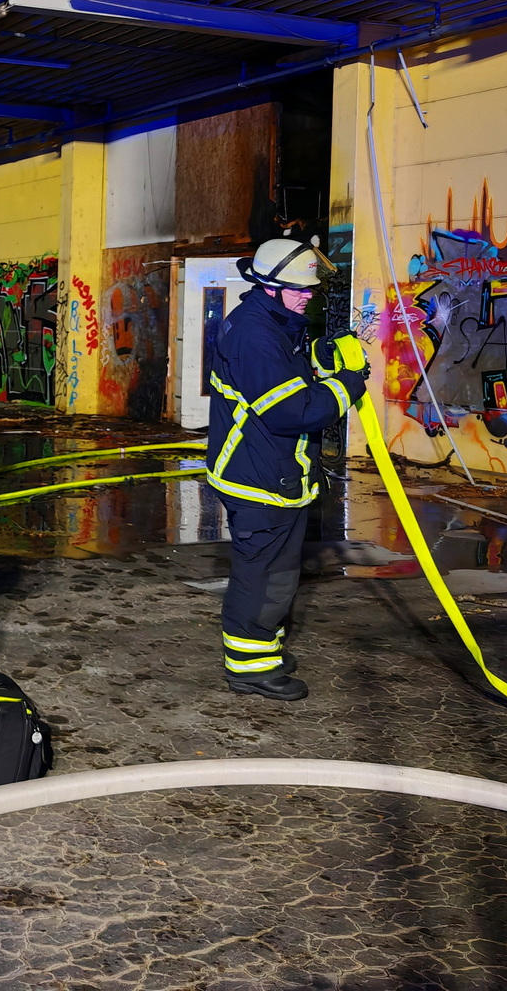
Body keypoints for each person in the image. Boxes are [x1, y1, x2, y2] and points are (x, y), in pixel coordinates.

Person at [205, 238, 368, 701]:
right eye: (299, 289)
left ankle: (264, 652)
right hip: (257, 479)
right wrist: (347, 386)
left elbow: (285, 372)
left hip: (273, 473)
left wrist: (321, 356)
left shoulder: (272, 321)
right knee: (261, 576)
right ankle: (249, 669)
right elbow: (290, 410)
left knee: (277, 573)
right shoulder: (255, 334)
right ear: (269, 286)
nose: (308, 296)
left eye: (310, 288)